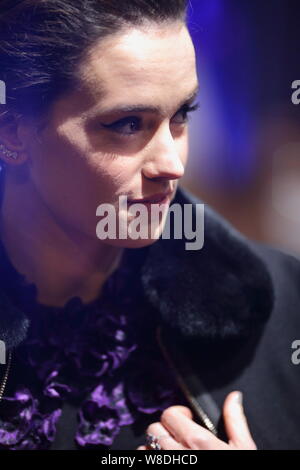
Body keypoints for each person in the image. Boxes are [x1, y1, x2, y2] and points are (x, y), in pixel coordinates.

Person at [0, 0, 299, 451]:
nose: (172, 163)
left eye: (182, 114)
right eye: (126, 124)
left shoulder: (283, 300)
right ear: (11, 130)